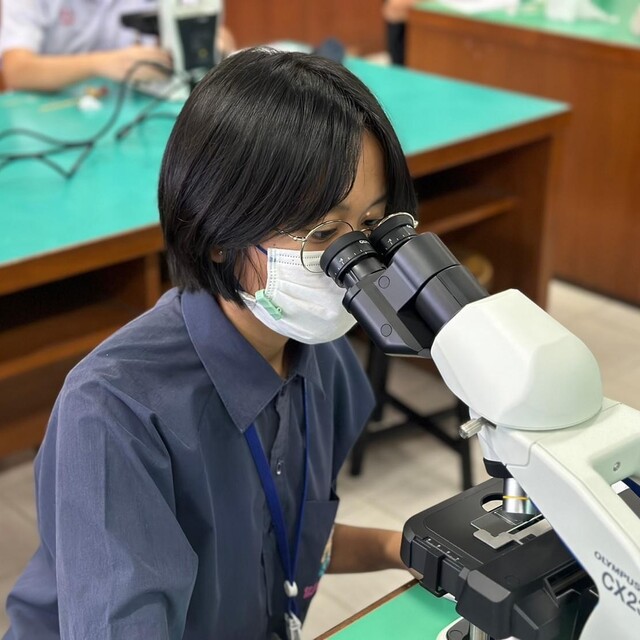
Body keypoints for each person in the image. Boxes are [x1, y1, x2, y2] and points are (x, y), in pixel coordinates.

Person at [3, 47, 418, 639]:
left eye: (373, 224)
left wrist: (400, 548)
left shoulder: (321, 360)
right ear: (219, 234)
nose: (352, 258)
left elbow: (280, 544)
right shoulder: (113, 413)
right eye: (324, 231)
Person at [0, 0, 235, 92]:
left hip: (138, 105)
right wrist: (101, 64)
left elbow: (220, 33)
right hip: (49, 114)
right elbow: (16, 70)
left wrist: (211, 40)